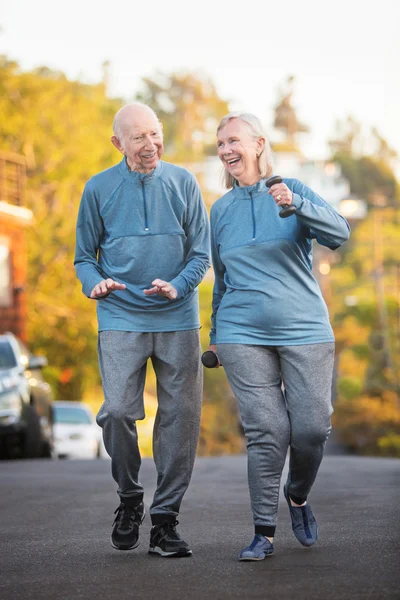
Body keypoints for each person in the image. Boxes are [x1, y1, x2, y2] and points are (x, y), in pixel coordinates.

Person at [207, 112, 350, 561]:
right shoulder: (221, 209)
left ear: (258, 144)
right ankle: (263, 532)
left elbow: (339, 233)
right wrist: (215, 334)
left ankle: (298, 494)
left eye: (233, 141)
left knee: (310, 428)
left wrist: (297, 205)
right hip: (240, 331)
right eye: (220, 143)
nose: (227, 150)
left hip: (304, 326)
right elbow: (221, 277)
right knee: (267, 429)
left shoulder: (291, 189)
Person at [74, 102, 210, 557]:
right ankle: (130, 497)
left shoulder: (183, 182)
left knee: (180, 420)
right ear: (118, 143)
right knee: (116, 411)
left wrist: (178, 285)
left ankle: (165, 521)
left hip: (178, 317)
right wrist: (96, 284)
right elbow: (83, 258)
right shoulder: (98, 189)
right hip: (120, 318)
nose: (150, 145)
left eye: (155, 134)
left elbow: (200, 254)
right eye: (138, 138)